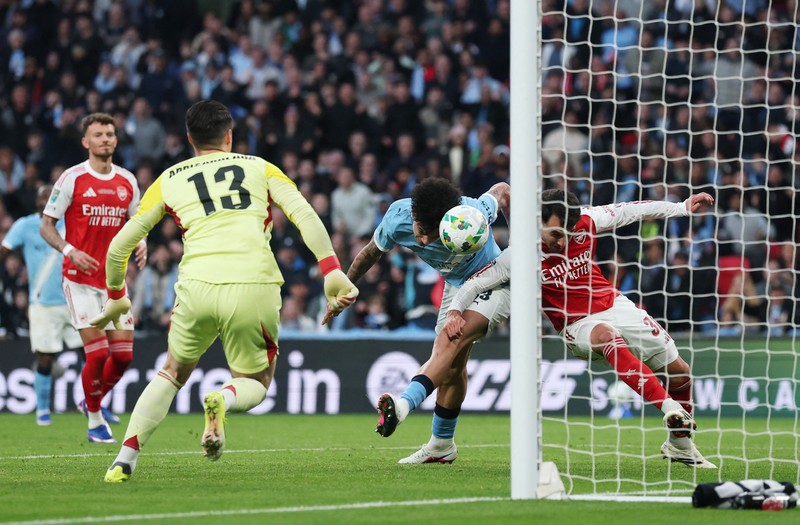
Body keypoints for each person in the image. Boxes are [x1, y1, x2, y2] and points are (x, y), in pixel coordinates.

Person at [92, 100, 358, 483]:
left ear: (189, 139)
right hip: (253, 284)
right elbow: (304, 215)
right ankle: (224, 398)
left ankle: (124, 460)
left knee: (171, 371)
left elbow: (119, 247)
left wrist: (116, 294)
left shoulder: (169, 178)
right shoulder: (260, 167)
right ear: (229, 136)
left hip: (196, 286)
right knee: (257, 382)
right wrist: (330, 269)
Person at [440, 189, 717, 469]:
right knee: (607, 337)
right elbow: (475, 283)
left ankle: (680, 445)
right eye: (556, 234)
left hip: (613, 304)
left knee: (680, 372)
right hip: (577, 325)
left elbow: (633, 210)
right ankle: (667, 406)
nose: (563, 241)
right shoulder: (520, 254)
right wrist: (454, 311)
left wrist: (680, 207)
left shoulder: (587, 220)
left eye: (569, 233)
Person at [323, 177, 510, 464]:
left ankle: (402, 405)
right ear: (413, 215)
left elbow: (502, 191)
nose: (422, 241)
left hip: (493, 279)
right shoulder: (398, 217)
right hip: (456, 285)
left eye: (432, 235)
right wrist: (346, 289)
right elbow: (370, 252)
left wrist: (522, 244)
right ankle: (441, 445)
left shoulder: (472, 214)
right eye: (420, 231)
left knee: (452, 339)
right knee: (452, 366)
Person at [40, 113, 147, 444]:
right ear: (86, 142)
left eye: (110, 134)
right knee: (98, 355)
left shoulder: (127, 180)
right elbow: (47, 225)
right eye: (98, 134)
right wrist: (70, 250)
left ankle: (89, 399)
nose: (105, 139)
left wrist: (141, 242)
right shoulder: (72, 179)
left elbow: (136, 223)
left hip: (114, 284)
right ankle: (95, 420)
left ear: (116, 140)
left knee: (124, 357)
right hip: (79, 280)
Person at [0, 185, 84, 426]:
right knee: (45, 358)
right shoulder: (25, 226)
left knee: (91, 354)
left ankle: (94, 406)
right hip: (43, 304)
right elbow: (4, 251)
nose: (47, 200)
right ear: (36, 201)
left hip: (74, 300)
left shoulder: (71, 224)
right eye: (42, 197)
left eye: (51, 197)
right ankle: (43, 411)